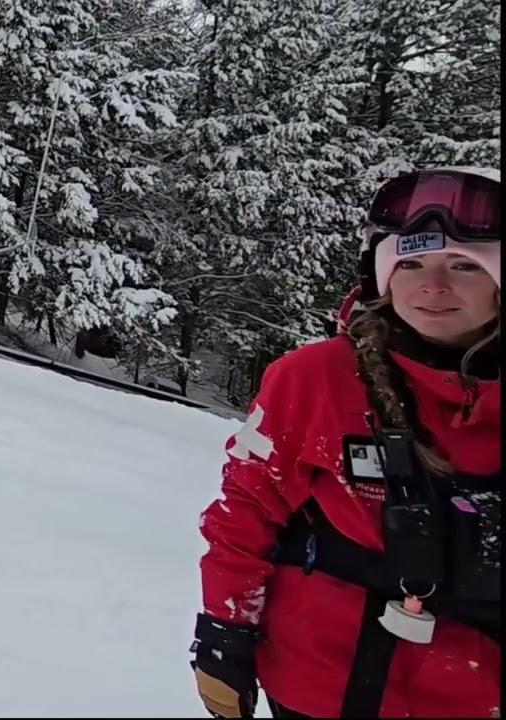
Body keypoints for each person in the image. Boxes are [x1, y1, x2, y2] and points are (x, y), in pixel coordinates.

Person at [191, 167, 501, 719]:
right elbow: (245, 511)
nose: (433, 286)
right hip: (323, 687)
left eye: (463, 265)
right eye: (409, 263)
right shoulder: (315, 378)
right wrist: (223, 632)